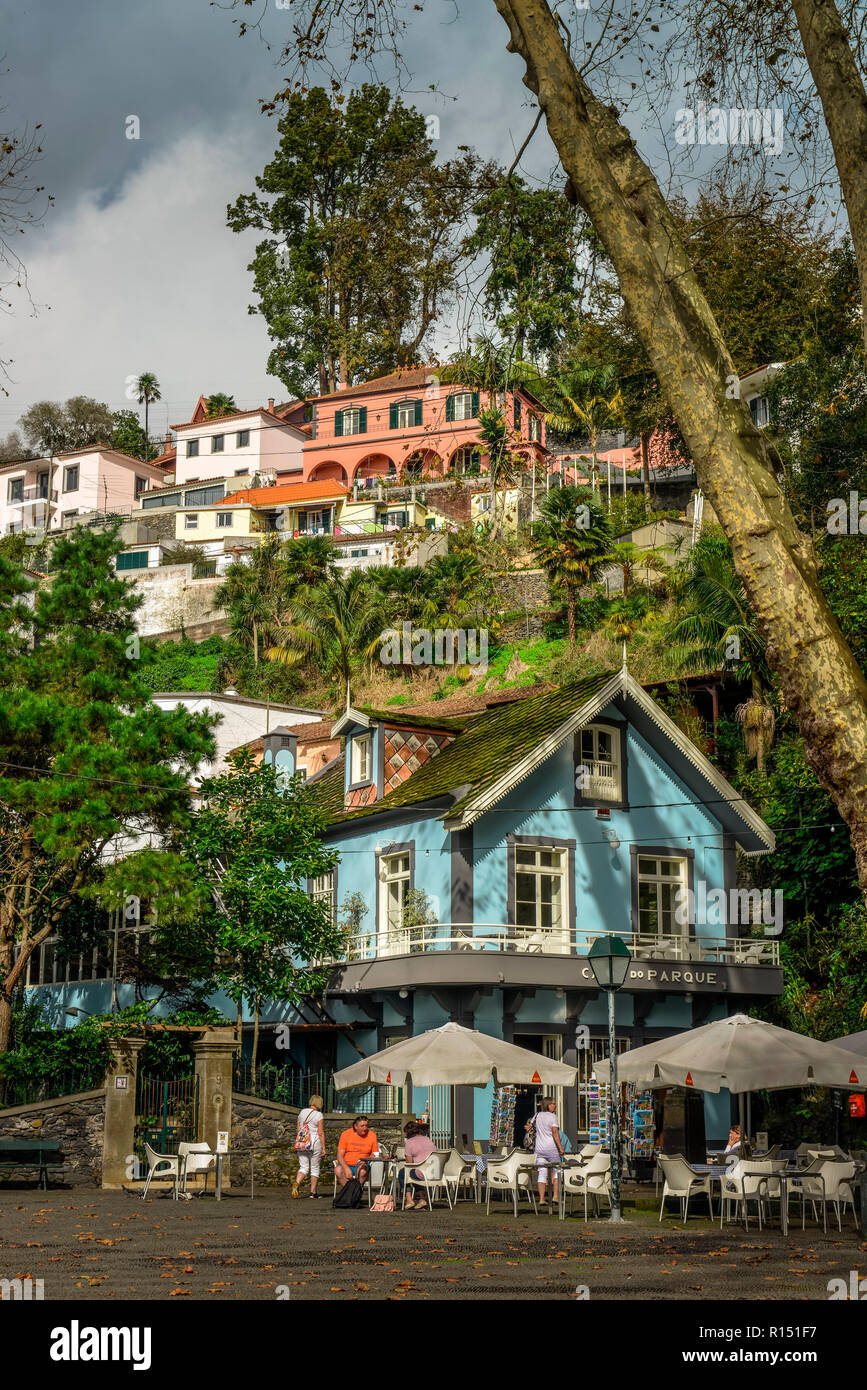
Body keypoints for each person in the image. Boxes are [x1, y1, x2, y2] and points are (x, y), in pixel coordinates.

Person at [292, 1094, 325, 1199]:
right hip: (315, 1142)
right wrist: (324, 1147)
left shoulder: (302, 1112)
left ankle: (297, 1182)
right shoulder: (319, 1115)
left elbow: (298, 1129)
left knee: (303, 1167)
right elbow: (320, 1132)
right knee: (314, 1168)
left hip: (302, 1142)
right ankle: (313, 1192)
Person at [534, 1097, 565, 1206]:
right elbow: (555, 1133)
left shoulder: (537, 1115)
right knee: (557, 1170)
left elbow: (529, 1126)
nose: (555, 1105)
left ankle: (542, 1199)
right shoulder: (553, 1117)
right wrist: (561, 1148)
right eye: (553, 1104)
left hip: (539, 1148)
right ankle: (555, 1196)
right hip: (551, 1147)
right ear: (548, 1105)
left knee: (541, 1172)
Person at [402, 1120, 437, 1211]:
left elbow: (409, 1164)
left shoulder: (409, 1142)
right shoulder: (428, 1139)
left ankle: (409, 1199)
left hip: (422, 1173)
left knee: (404, 1173)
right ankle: (422, 1199)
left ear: (408, 1132)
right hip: (435, 1173)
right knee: (415, 1172)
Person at [336, 1115, 379, 1189]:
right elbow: (340, 1155)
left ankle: (353, 1194)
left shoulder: (372, 1135)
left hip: (362, 1164)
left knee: (362, 1171)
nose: (365, 1128)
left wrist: (366, 1160)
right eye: (362, 1126)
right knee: (338, 1170)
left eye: (366, 1126)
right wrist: (346, 1168)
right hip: (347, 1164)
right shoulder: (346, 1134)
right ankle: (351, 1193)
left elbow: (374, 1154)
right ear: (356, 1126)